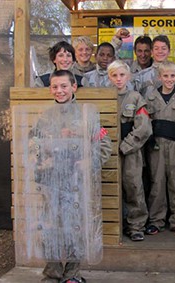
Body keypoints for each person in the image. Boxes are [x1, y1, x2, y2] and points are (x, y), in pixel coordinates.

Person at [30, 70, 112, 283]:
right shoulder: (45, 116)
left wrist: (88, 162)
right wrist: (40, 159)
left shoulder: (87, 115)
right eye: (55, 87)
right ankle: (52, 273)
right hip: (51, 182)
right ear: (50, 89)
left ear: (74, 87)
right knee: (50, 228)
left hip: (76, 182)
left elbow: (104, 144)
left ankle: (72, 274)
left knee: (75, 227)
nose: (59, 91)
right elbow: (34, 144)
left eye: (64, 86)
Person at [144, 61, 175, 236]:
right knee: (157, 182)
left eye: (172, 76)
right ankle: (156, 220)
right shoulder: (151, 96)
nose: (169, 79)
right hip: (156, 144)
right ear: (159, 77)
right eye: (165, 76)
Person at [107, 60, 152, 241]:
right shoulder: (104, 97)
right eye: (114, 75)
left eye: (122, 75)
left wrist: (126, 146)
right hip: (108, 151)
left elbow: (144, 128)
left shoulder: (135, 98)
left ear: (129, 76)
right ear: (109, 77)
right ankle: (113, 225)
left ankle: (136, 225)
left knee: (133, 186)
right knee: (110, 186)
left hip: (130, 150)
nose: (118, 79)